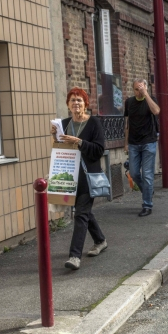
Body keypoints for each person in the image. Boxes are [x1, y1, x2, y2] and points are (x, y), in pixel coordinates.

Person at [51, 88, 107, 270]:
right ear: (68, 104)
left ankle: (74, 256)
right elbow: (61, 149)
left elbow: (99, 150)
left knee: (80, 215)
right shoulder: (65, 124)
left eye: (80, 100)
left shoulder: (94, 123)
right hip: (70, 177)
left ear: (85, 104)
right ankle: (100, 240)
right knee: (85, 212)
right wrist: (55, 135)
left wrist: (80, 141)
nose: (76, 103)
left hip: (87, 176)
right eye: (73, 100)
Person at [124, 79, 160, 217]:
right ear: (133, 90)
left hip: (148, 142)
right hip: (133, 143)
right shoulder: (129, 102)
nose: (139, 92)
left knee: (147, 174)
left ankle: (147, 205)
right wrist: (125, 143)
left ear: (145, 87)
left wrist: (146, 94)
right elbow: (127, 123)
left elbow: (156, 111)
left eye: (141, 88)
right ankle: (148, 190)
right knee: (134, 173)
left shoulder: (151, 100)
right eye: (136, 89)